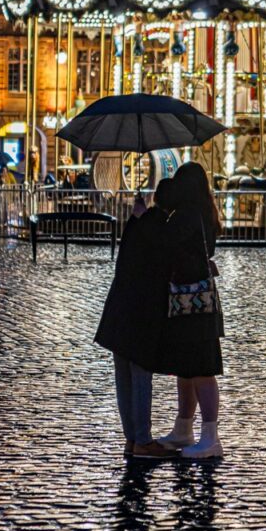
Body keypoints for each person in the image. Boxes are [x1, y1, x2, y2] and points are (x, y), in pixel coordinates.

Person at [95, 162, 224, 460]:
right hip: (189, 303)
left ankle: (199, 435)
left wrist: (141, 219)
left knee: (198, 368)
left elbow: (162, 246)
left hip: (187, 306)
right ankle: (181, 429)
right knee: (189, 367)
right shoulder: (200, 214)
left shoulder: (186, 217)